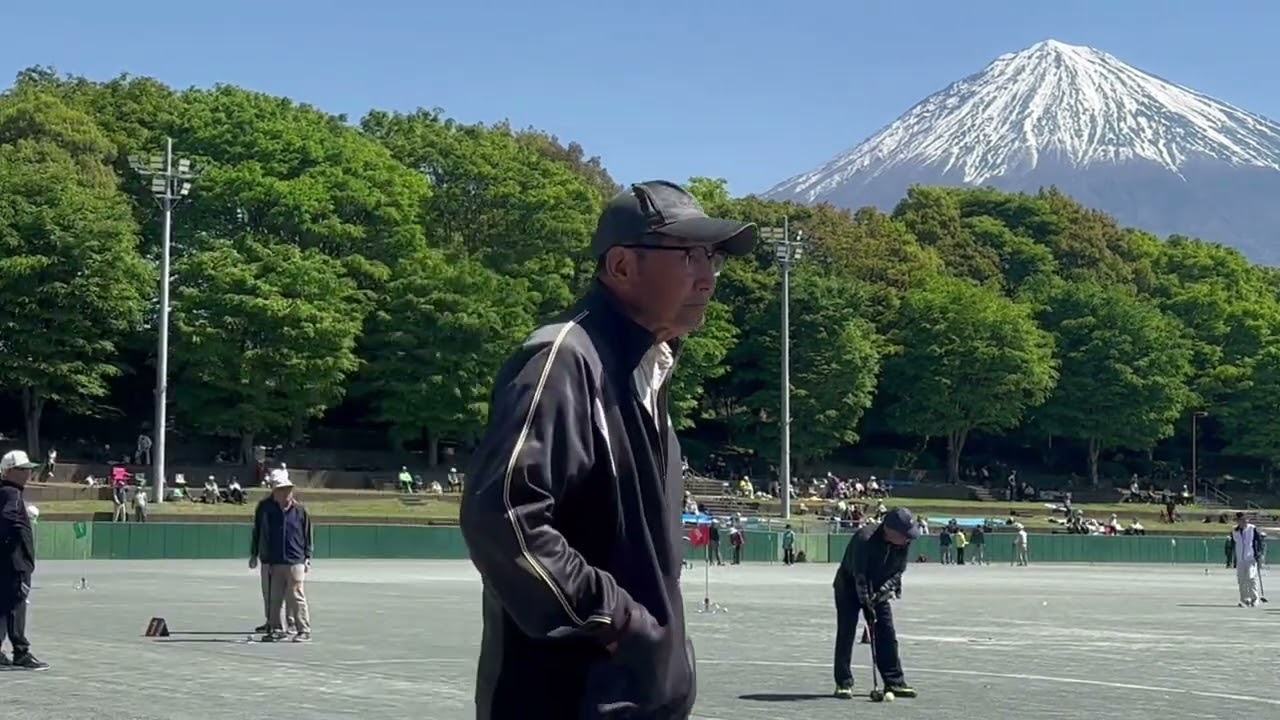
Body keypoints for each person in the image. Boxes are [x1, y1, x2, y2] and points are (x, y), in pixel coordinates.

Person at [460, 179, 757, 720]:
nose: (709, 277)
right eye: (689, 255)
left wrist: (662, 653)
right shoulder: (563, 360)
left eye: (712, 257)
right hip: (568, 701)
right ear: (621, 267)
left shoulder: (647, 370)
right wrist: (619, 622)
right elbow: (502, 515)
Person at [832, 507, 919, 700]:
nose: (908, 539)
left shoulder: (903, 543)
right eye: (905, 535)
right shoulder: (864, 539)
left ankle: (894, 681)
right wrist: (867, 604)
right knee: (846, 631)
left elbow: (897, 573)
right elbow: (859, 576)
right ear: (890, 530)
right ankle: (843, 682)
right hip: (848, 585)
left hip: (878, 586)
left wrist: (879, 595)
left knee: (886, 631)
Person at [0, 450, 49, 670]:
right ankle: (21, 651)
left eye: (28, 469)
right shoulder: (13, 494)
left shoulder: (4, 492)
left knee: (2, 607)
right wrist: (15, 544)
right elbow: (9, 519)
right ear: (9, 471)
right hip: (15, 562)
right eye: (22, 469)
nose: (27, 473)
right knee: (16, 605)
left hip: (5, 561)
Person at [250, 471, 312, 641]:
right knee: (274, 598)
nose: (285, 493)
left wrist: (307, 556)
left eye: (288, 489)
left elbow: (307, 534)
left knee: (296, 595)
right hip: (274, 561)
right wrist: (259, 555)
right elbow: (262, 534)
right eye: (281, 489)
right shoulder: (267, 510)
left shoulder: (300, 510)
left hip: (295, 559)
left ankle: (303, 629)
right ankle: (277, 630)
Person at [1231, 512, 1266, 607]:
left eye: (1244, 519)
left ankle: (1255, 598)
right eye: (1241, 520)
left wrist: (1259, 553)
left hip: (1251, 558)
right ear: (1238, 521)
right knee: (1241, 580)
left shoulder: (1252, 529)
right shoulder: (1234, 531)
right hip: (1240, 560)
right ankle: (1244, 599)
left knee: (1251, 578)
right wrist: (1233, 559)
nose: (1244, 521)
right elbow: (1233, 545)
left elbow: (1259, 542)